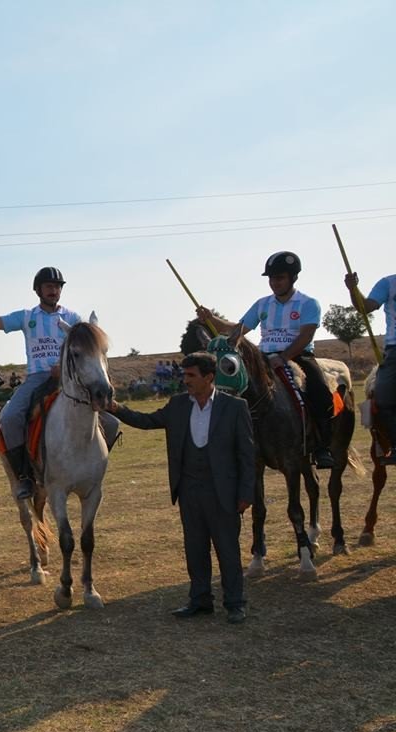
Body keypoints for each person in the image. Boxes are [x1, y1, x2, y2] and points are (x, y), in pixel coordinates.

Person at [107, 353, 255, 623]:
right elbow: (147, 421)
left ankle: (235, 603)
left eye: (191, 375)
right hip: (189, 490)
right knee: (195, 549)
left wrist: (246, 494)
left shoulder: (235, 407)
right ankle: (200, 601)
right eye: (184, 374)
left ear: (209, 377)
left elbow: (247, 454)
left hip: (223, 492)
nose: (184, 380)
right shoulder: (177, 406)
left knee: (228, 550)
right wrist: (116, 408)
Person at [0, 267, 119, 499]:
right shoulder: (26, 316)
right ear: (38, 290)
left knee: (110, 424)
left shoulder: (73, 318)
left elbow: (89, 349)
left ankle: (93, 467)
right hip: (37, 378)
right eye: (49, 286)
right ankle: (25, 477)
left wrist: (65, 369)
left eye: (57, 286)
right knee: (10, 419)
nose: (54, 291)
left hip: (70, 380)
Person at [196, 251, 335, 469]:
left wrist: (284, 357)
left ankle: (322, 447)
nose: (274, 283)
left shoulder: (308, 303)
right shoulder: (262, 304)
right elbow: (238, 329)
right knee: (231, 388)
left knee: (320, 391)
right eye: (271, 278)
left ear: (292, 278)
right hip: (263, 358)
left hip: (298, 356)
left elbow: (306, 335)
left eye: (279, 278)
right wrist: (210, 318)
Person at [345, 270, 396, 463]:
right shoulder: (388, 283)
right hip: (394, 350)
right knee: (381, 398)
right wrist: (353, 289)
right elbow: (365, 307)